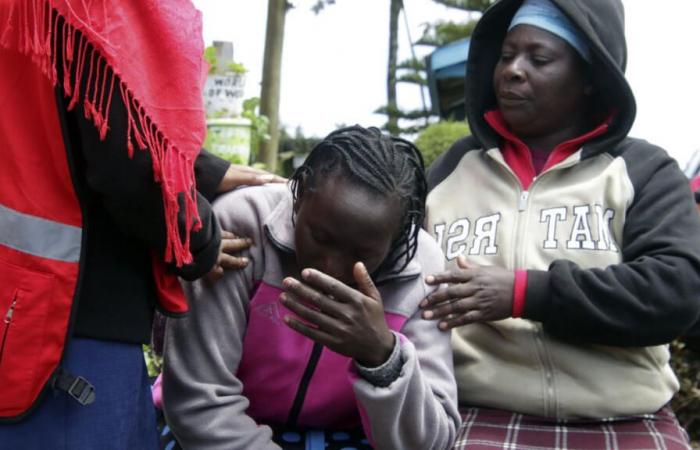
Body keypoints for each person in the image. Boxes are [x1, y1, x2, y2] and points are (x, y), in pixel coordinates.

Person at [420, 0, 700, 448]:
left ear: (590, 77)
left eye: (539, 57)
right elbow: (379, 242)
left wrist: (526, 293)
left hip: (626, 419)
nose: (512, 70)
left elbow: (677, 291)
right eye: (506, 55)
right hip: (476, 416)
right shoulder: (452, 169)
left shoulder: (642, 169)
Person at [0, 1, 280, 448]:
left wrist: (201, 171)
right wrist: (199, 240)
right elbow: (127, 170)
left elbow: (80, 97)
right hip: (71, 332)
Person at [162, 126, 460, 450]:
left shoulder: (421, 269)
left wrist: (382, 357)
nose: (329, 269)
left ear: (398, 239)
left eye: (361, 255)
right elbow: (199, 401)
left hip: (352, 437)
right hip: (225, 433)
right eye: (319, 237)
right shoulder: (242, 223)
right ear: (300, 192)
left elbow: (431, 442)